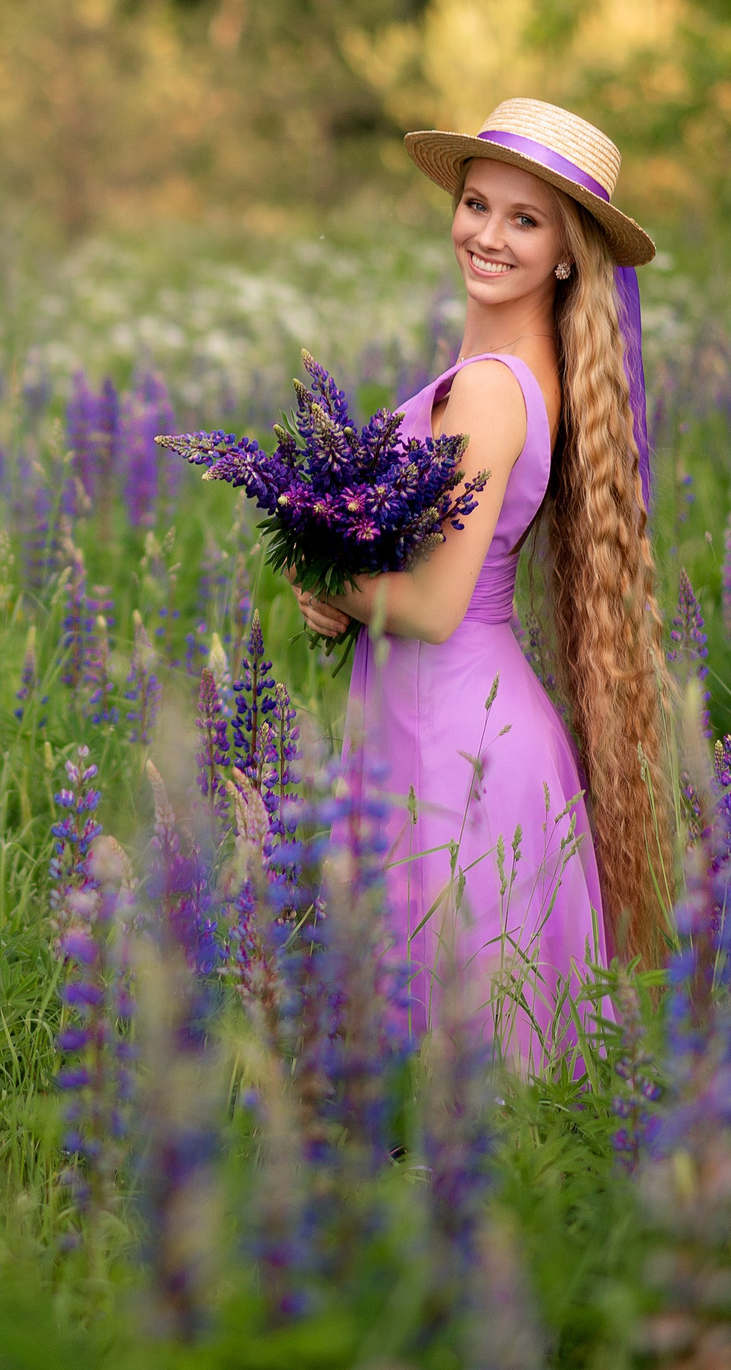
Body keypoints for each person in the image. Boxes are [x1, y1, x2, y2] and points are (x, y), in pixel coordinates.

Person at [296, 98, 669, 1068]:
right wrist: (347, 588)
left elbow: (430, 603)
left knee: (459, 1075)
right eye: (476, 204)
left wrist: (322, 572)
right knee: (455, 1072)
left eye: (524, 218)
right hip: (449, 722)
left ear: (566, 253)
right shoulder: (511, 369)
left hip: (456, 744)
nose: (488, 235)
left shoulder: (496, 388)